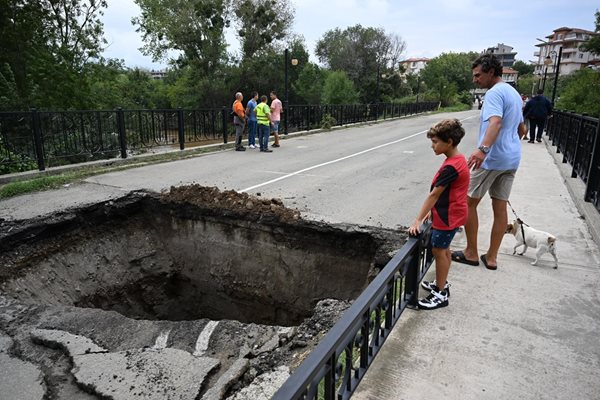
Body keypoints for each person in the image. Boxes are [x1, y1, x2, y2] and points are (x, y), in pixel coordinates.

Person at [451, 54, 527, 271]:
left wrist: (483, 150)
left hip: (492, 159)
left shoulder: (494, 93)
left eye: (478, 75)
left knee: (468, 202)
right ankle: (492, 257)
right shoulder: (513, 93)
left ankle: (471, 253)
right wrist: (508, 145)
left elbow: (495, 122)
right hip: (512, 159)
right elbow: (522, 129)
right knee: (500, 206)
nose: (475, 79)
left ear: (491, 72)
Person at [409, 119, 470, 310]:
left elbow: (435, 194)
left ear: (449, 141)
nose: (432, 146)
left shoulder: (451, 166)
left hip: (447, 216)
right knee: (445, 250)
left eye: (435, 142)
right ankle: (440, 283)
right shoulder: (457, 159)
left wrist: (418, 219)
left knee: (439, 251)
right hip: (452, 213)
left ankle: (440, 293)